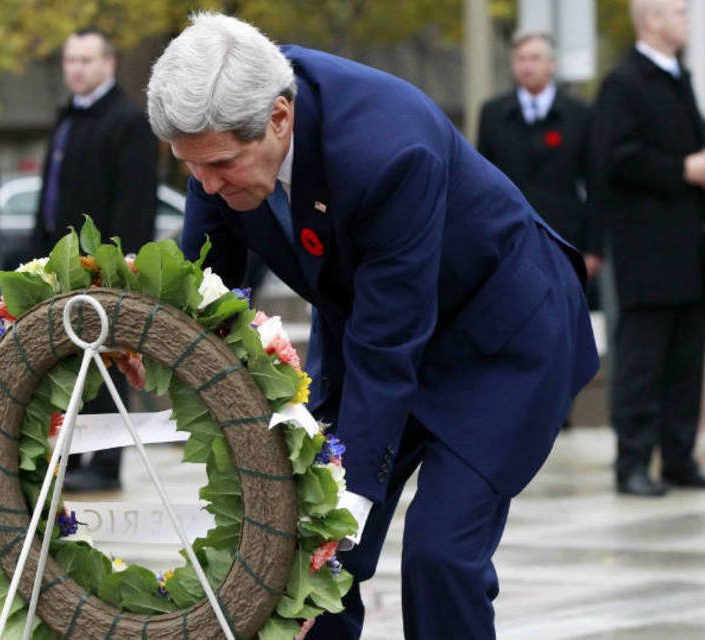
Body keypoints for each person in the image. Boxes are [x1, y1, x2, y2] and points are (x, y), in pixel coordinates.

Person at [147, 13, 598, 639]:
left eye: (220, 166)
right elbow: (205, 278)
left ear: (280, 118)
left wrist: (348, 501)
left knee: (438, 554)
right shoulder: (217, 136)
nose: (206, 185)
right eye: (190, 168)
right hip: (374, 323)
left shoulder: (390, 149)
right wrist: (147, 337)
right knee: (299, 557)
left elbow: (390, 343)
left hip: (498, 340)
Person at [32, 27, 158, 492]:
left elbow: (134, 201)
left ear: (108, 62)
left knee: (106, 363)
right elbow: (51, 194)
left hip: (101, 267)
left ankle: (105, 464)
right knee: (71, 365)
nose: (76, 69)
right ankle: (77, 456)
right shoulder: (69, 118)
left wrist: (118, 265)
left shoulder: (127, 120)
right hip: (60, 264)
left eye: (86, 60)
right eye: (70, 61)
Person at [592, 0, 705, 497]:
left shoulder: (677, 76)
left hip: (688, 249)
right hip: (647, 250)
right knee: (642, 362)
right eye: (678, 11)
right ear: (652, 20)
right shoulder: (625, 83)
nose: (685, 19)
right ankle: (633, 462)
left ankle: (679, 458)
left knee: (685, 360)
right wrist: (682, 169)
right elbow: (615, 159)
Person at [478, 31, 602, 283]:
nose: (527, 66)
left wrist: (594, 248)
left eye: (534, 58)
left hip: (565, 238)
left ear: (551, 64)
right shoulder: (493, 114)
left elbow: (596, 181)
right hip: (509, 238)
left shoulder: (579, 114)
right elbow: (481, 181)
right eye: (520, 59)